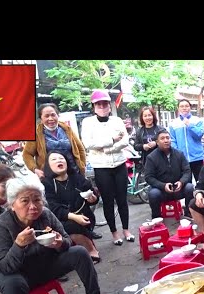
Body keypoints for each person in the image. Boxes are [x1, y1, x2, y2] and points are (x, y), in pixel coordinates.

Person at [0, 175, 117, 294]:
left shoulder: (45, 214)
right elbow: (3, 266)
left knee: (79, 252)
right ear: (12, 205)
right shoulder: (1, 226)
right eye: (25, 201)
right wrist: (19, 246)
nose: (33, 206)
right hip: (21, 273)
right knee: (12, 283)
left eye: (37, 200)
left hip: (45, 265)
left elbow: (67, 240)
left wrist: (59, 243)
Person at [80, 90, 134, 245]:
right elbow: (89, 144)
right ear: (94, 106)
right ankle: (114, 233)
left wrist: (107, 148)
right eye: (98, 104)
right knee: (108, 201)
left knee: (122, 199)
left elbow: (125, 141)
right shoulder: (88, 122)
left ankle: (126, 230)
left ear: (109, 106)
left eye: (105, 103)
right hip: (101, 167)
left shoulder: (116, 121)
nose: (102, 106)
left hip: (119, 164)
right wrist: (111, 140)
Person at [42, 150, 101, 263]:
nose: (59, 160)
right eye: (54, 159)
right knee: (69, 225)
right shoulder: (47, 184)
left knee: (78, 223)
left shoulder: (77, 178)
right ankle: (90, 248)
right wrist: (73, 216)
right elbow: (54, 208)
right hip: (63, 219)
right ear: (48, 166)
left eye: (61, 158)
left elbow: (92, 195)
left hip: (85, 216)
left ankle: (90, 249)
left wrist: (93, 199)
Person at [22, 103, 87, 178]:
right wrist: (35, 169)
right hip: (50, 176)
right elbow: (27, 154)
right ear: (41, 118)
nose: (50, 119)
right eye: (46, 116)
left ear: (57, 115)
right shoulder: (36, 133)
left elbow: (80, 148)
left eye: (53, 115)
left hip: (73, 172)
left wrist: (82, 165)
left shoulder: (66, 128)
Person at [144, 128, 194, 219]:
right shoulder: (151, 157)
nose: (166, 140)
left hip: (178, 189)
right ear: (157, 142)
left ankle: (188, 212)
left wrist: (181, 182)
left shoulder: (179, 154)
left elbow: (187, 171)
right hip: (162, 191)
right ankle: (156, 218)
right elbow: (149, 177)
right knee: (153, 194)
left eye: (168, 138)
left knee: (190, 187)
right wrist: (163, 186)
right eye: (162, 138)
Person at [169, 99, 204, 183]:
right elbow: (173, 140)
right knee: (185, 184)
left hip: (197, 157)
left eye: (186, 106)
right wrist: (177, 154)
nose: (184, 108)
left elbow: (199, 134)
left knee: (201, 182)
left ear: (190, 108)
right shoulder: (174, 123)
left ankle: (202, 196)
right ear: (178, 108)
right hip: (182, 159)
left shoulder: (197, 120)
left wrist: (189, 125)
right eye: (182, 106)